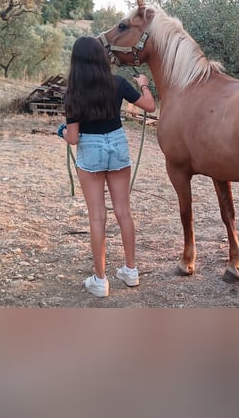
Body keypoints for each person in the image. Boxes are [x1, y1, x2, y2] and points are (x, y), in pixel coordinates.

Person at [58, 35, 156, 298]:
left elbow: (73, 138)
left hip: (90, 150)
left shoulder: (73, 92)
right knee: (123, 211)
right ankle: (131, 271)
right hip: (117, 143)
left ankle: (100, 280)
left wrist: (63, 131)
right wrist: (145, 85)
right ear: (102, 58)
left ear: (76, 61)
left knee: (97, 216)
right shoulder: (118, 83)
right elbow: (150, 105)